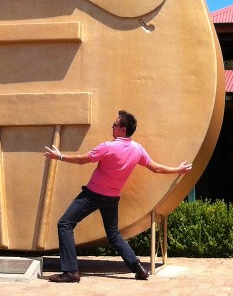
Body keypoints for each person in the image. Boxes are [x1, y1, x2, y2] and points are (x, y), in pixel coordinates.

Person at [43, 109, 192, 283]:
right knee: (113, 235)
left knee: (65, 223)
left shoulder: (108, 147)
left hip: (92, 195)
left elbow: (83, 160)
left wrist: (59, 157)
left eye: (114, 124)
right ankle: (138, 268)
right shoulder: (137, 149)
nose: (112, 127)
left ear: (122, 129)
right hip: (112, 198)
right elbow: (156, 168)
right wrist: (178, 169)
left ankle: (70, 272)